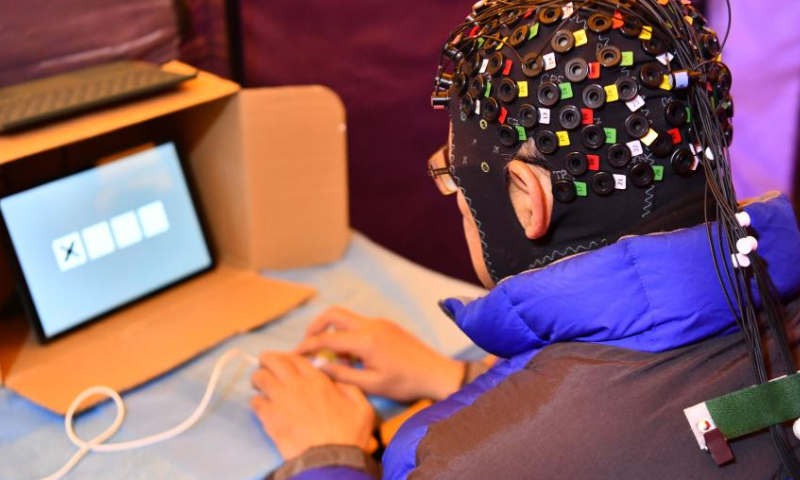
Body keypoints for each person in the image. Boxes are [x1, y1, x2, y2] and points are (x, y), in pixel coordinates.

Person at [249, 1, 800, 479]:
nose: (454, 196)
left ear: (527, 196)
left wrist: (328, 460)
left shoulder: (455, 466)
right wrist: (458, 380)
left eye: (452, 176)